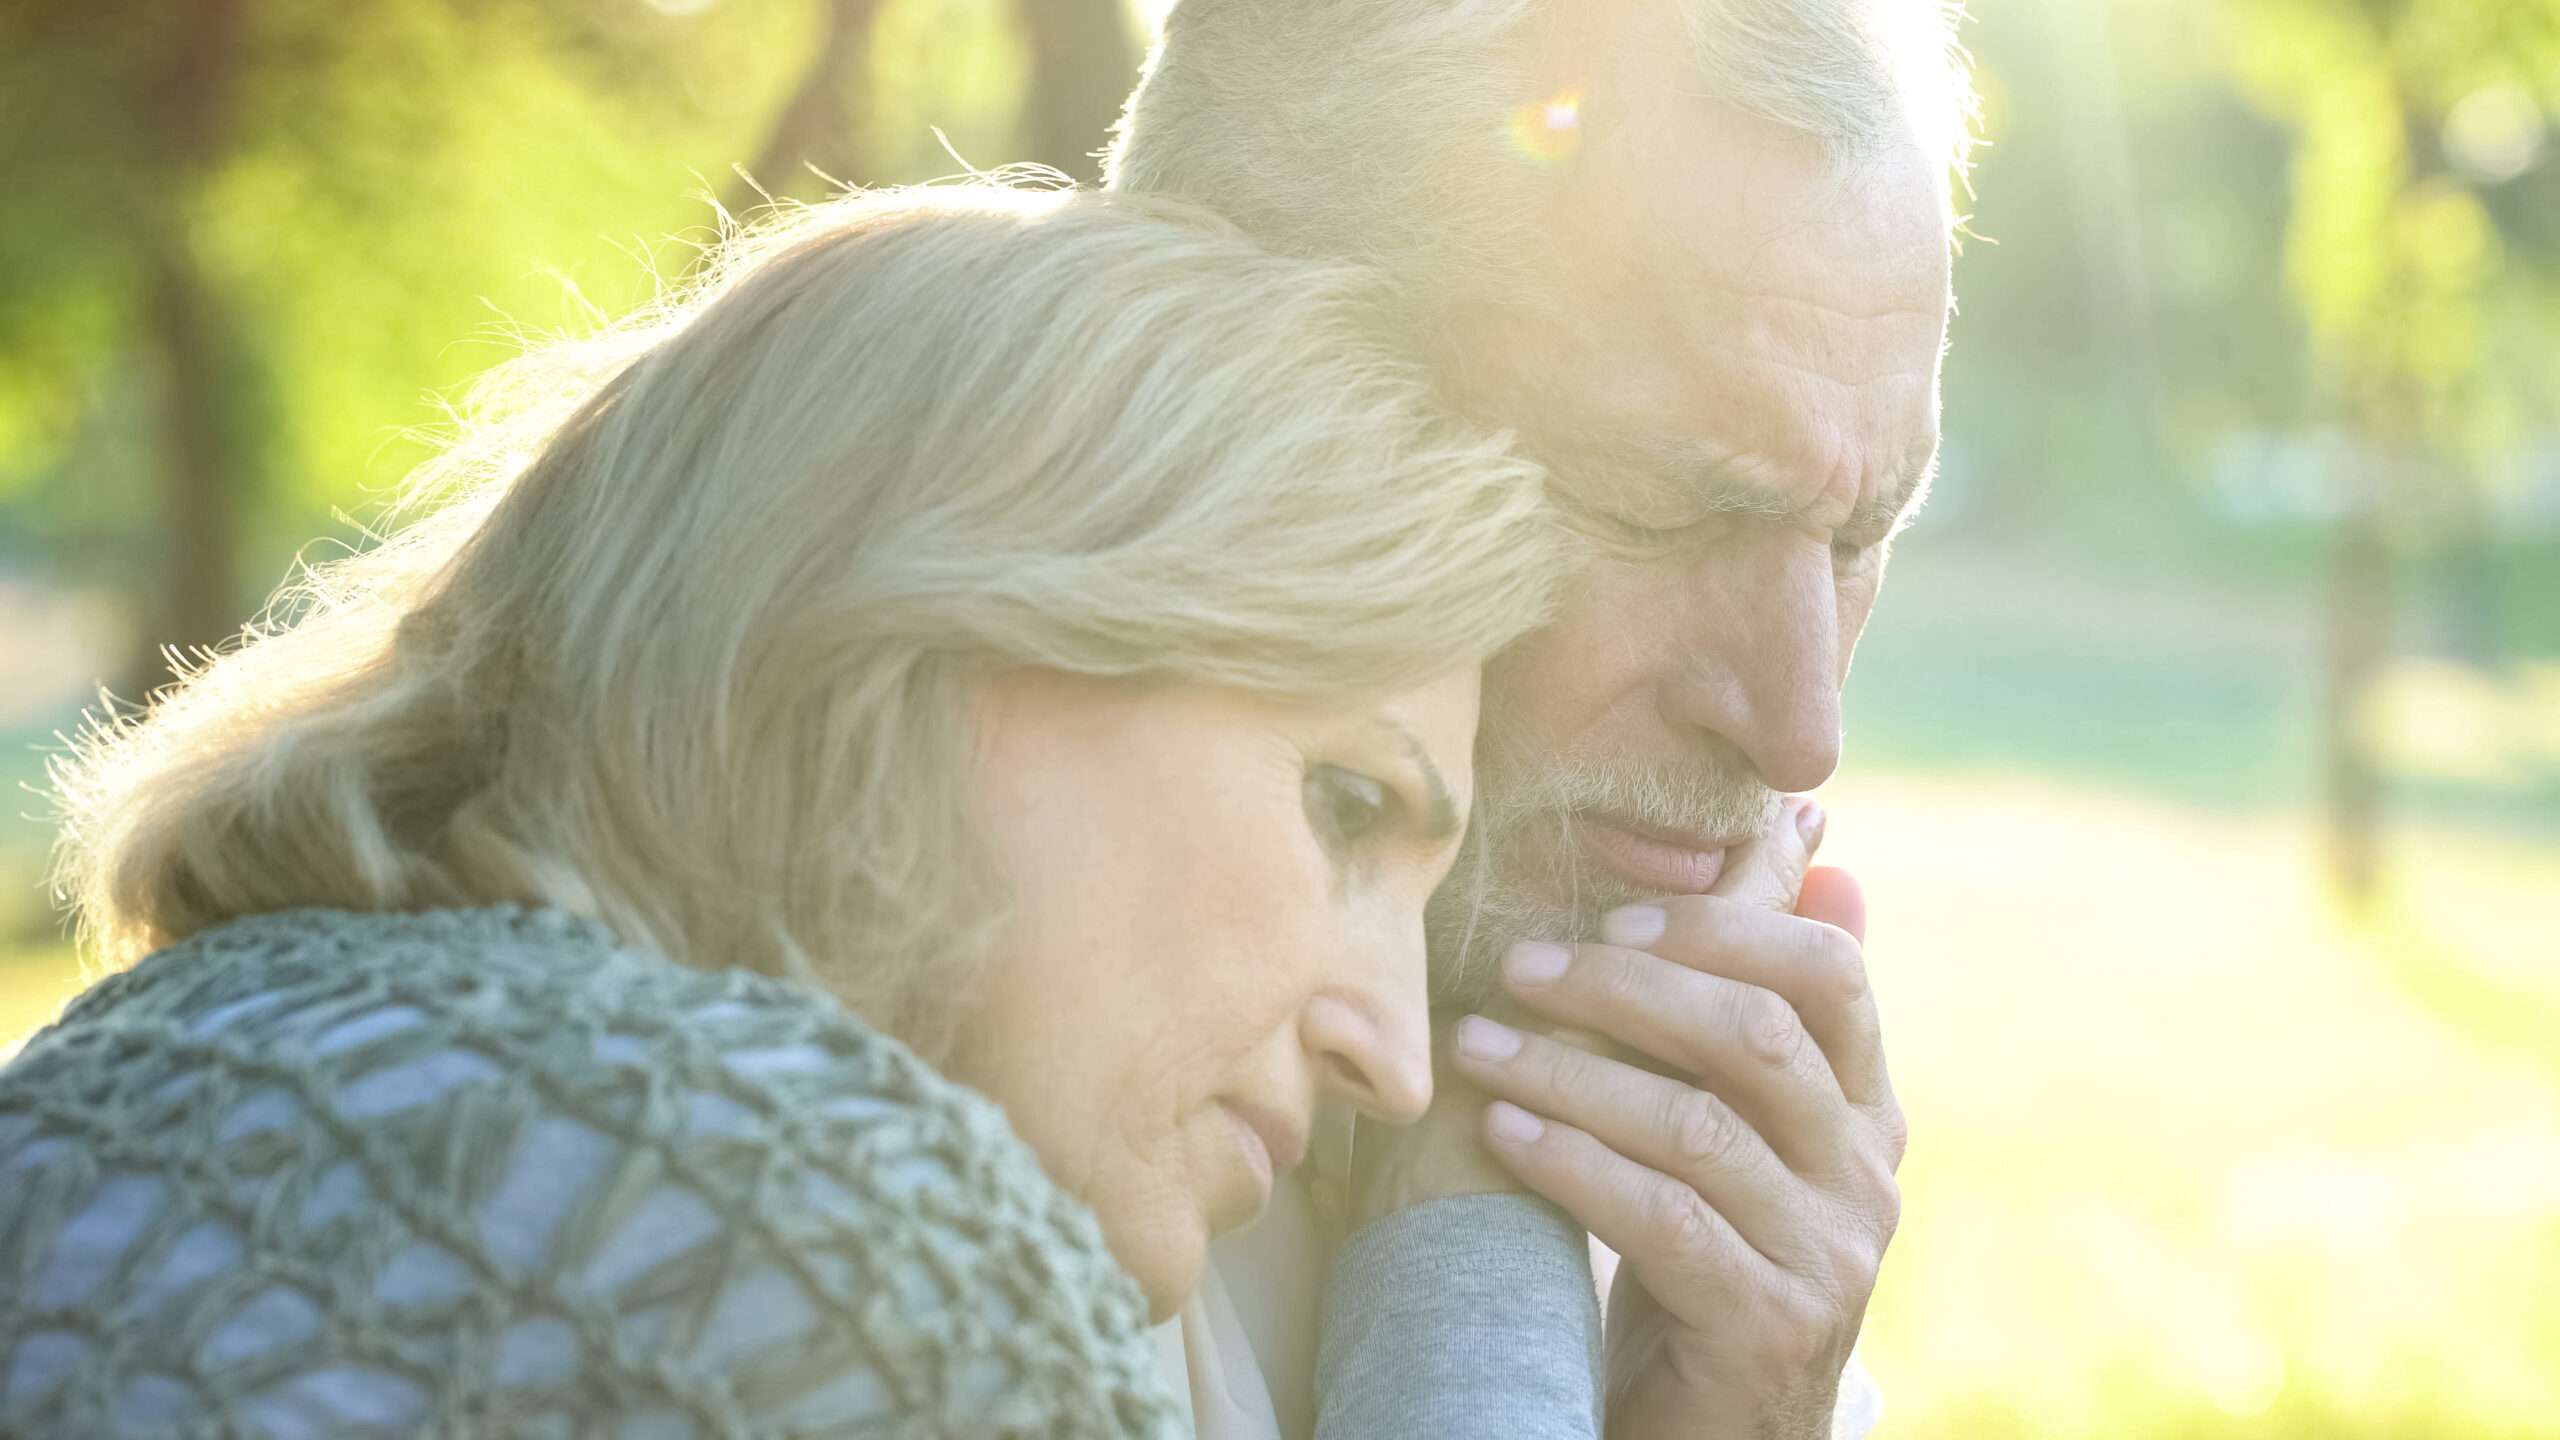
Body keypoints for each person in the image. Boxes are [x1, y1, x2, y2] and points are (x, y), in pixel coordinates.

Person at [0, 186, 1579, 1437]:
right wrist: (1478, 1285)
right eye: (1347, 804)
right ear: (942, 629)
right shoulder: (824, 1231)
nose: (1396, 1051)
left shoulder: (124, 1069)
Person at [1108, 1, 1980, 1436]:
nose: (1799, 730)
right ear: (1231, 389)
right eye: (1669, 503)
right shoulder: (919, 1168)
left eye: (1859, 535)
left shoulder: (1662, 1182)